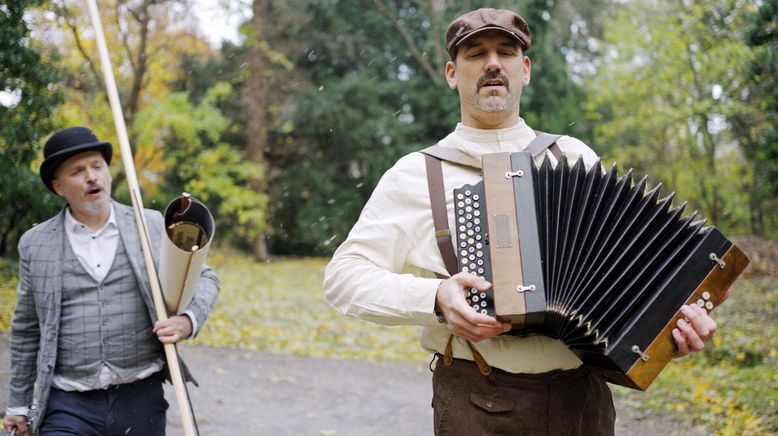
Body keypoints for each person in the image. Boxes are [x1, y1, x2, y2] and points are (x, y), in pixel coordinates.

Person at [324, 8, 719, 435]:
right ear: (452, 74)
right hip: (477, 401)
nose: (493, 63)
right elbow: (343, 278)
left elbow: (622, 275)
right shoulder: (415, 174)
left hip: (584, 403)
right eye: (476, 53)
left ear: (525, 70)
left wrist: (665, 334)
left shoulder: (573, 158)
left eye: (506, 52)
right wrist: (436, 297)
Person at [3, 126, 220, 436]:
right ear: (59, 186)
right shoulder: (35, 244)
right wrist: (18, 405)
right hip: (67, 404)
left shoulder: (151, 225)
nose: (92, 176)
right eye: (77, 171)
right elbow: (26, 329)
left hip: (140, 398)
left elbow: (205, 277)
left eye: (97, 166)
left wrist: (187, 320)